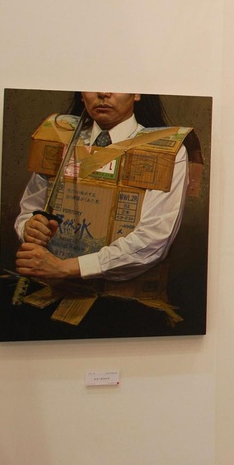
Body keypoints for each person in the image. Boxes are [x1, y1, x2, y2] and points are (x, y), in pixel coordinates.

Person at [12, 92, 190, 330]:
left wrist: (66, 268)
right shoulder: (59, 139)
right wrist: (29, 228)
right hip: (49, 298)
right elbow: (29, 210)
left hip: (124, 309)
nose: (103, 93)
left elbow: (154, 239)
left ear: (137, 93)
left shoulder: (165, 151)